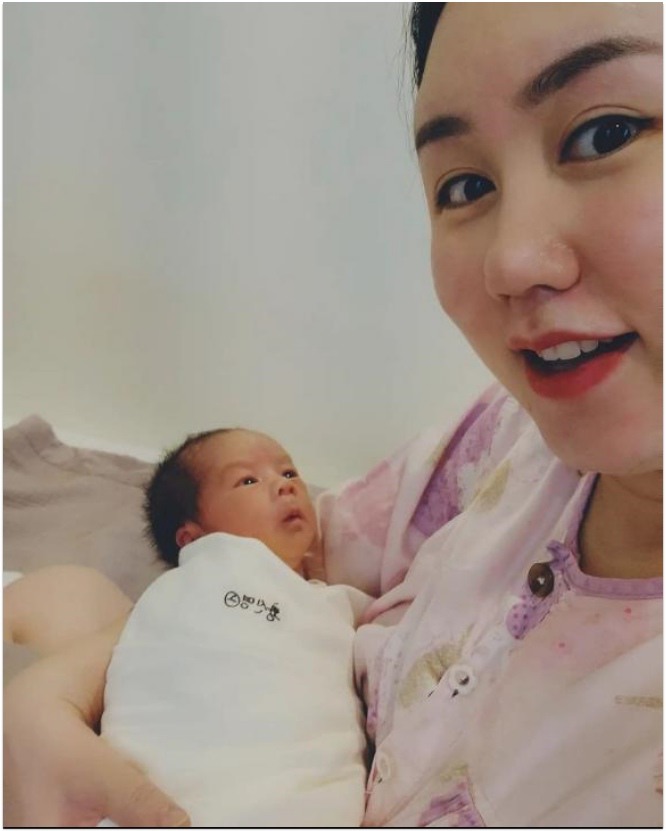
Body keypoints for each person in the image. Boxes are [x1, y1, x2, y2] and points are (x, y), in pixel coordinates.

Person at [4, 2, 662, 827]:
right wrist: (49, 696)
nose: (510, 260)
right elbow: (277, 563)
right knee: (67, 592)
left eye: (605, 135)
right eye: (465, 185)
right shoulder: (505, 443)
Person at [7, 427, 370, 827]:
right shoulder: (194, 580)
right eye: (248, 480)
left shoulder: (336, 603)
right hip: (171, 797)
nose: (285, 486)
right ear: (191, 537)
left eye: (288, 473)